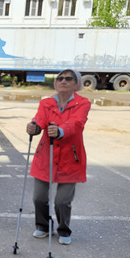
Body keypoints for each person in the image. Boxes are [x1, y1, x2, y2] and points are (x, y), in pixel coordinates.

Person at [26, 68, 91, 245]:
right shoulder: (46, 103)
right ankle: (43, 226)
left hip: (71, 158)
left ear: (77, 84)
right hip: (45, 156)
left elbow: (77, 123)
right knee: (39, 197)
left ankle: (64, 229)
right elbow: (39, 119)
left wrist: (61, 131)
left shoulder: (83, 103)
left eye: (69, 78)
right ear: (55, 83)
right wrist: (35, 127)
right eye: (60, 78)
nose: (63, 81)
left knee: (62, 201)